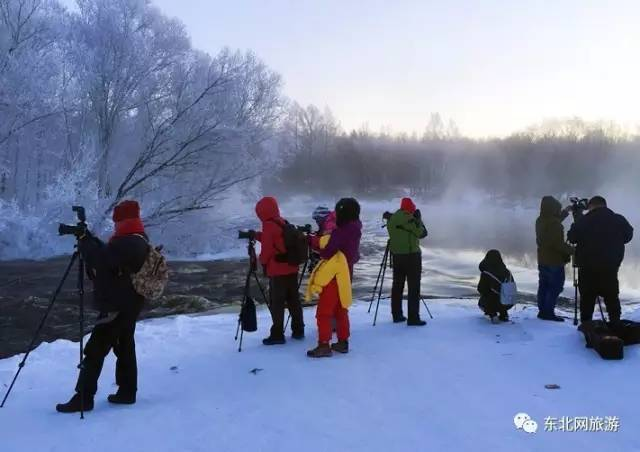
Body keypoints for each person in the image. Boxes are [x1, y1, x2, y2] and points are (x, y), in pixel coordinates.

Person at [56, 200, 149, 413]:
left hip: (117, 305)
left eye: (117, 221)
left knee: (95, 349)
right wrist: (88, 237)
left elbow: (101, 259)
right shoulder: (136, 239)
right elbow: (109, 255)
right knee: (124, 346)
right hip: (128, 303)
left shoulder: (128, 243)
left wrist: (85, 241)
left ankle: (83, 397)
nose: (115, 225)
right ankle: (127, 392)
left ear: (125, 220)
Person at [306, 198, 362, 358]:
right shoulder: (355, 227)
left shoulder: (341, 231)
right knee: (341, 308)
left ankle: (324, 345)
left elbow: (328, 251)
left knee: (324, 311)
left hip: (333, 275)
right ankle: (343, 342)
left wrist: (314, 243)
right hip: (346, 274)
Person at [568, 196, 633, 324]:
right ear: (605, 205)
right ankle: (615, 323)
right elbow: (628, 235)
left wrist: (577, 218)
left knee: (587, 299)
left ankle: (587, 326)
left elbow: (572, 237)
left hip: (587, 269)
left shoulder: (584, 221)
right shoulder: (618, 219)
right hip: (610, 268)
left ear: (591, 206)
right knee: (612, 297)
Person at [254, 196, 305, 344]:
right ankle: (298, 330)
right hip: (291, 268)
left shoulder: (268, 225)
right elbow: (278, 241)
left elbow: (268, 250)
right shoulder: (282, 221)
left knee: (277, 303)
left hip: (277, 271)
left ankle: (277, 334)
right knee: (294, 300)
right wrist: (257, 236)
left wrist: (261, 262)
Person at [386, 197, 428, 326]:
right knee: (414, 287)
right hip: (412, 256)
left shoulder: (392, 219)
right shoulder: (410, 219)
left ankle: (396, 314)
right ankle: (413, 317)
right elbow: (422, 233)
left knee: (397, 285)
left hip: (397, 256)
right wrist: (419, 220)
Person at [535, 196, 574, 322]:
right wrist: (574, 250)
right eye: (558, 208)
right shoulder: (555, 225)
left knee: (544, 285)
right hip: (554, 261)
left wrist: (566, 212)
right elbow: (558, 245)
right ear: (553, 209)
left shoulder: (540, 220)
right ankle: (548, 312)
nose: (559, 210)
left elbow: (553, 223)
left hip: (542, 259)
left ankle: (542, 311)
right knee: (555, 287)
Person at [477, 249, 514, 322]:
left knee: (482, 302)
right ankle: (504, 314)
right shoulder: (507, 272)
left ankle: (493, 314)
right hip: (509, 303)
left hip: (494, 302)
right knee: (500, 295)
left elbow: (480, 289)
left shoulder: (486, 273)